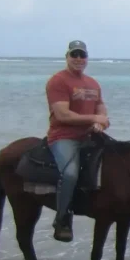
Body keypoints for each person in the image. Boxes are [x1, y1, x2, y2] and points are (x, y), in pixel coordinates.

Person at [45, 40, 110, 242]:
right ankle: (62, 218)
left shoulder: (92, 83)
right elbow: (63, 115)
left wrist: (101, 123)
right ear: (67, 57)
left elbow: (100, 108)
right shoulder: (58, 81)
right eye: (74, 55)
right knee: (71, 173)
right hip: (64, 137)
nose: (79, 59)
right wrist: (94, 119)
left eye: (82, 55)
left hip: (91, 136)